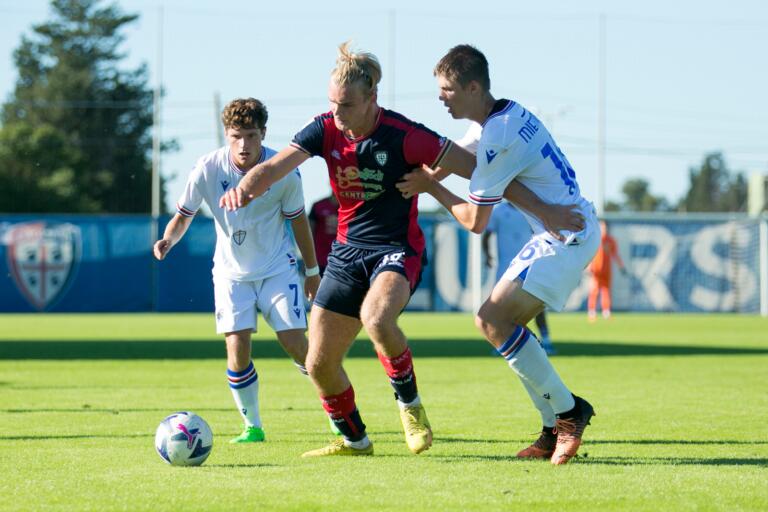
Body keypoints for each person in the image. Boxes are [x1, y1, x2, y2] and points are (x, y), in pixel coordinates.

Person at [398, 44, 600, 465]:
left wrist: (428, 187)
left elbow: (475, 220)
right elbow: (461, 160)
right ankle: (551, 430)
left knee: (490, 320)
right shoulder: (502, 118)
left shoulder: (497, 134)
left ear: (473, 87)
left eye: (447, 89)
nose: (441, 97)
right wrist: (425, 170)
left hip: (565, 235)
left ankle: (569, 413)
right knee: (509, 332)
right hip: (561, 226)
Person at [153, 97, 321, 444]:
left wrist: (312, 271)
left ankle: (336, 411)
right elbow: (184, 215)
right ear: (226, 135)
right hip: (230, 273)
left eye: (251, 135)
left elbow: (299, 223)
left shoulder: (283, 170)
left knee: (294, 343)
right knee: (237, 347)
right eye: (235, 136)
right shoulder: (207, 169)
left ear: (263, 134)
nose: (243, 145)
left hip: (277, 267)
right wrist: (168, 239)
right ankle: (253, 427)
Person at [482, 202, 555, 355]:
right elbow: (487, 234)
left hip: (529, 265)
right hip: (505, 267)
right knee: (499, 307)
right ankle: (501, 345)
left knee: (536, 305)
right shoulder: (499, 211)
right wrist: (488, 255)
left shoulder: (529, 208)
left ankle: (546, 341)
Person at [587, 220, 626, 321]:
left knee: (606, 291)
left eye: (605, 227)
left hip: (607, 270)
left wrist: (621, 266)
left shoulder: (611, 240)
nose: (604, 229)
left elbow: (615, 255)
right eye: (602, 227)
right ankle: (592, 312)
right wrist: (589, 267)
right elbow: (589, 254)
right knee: (594, 291)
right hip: (596, 270)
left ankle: (606, 312)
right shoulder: (596, 239)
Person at [308, 193, 339, 276]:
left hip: (343, 260)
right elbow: (309, 234)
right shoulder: (318, 205)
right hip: (320, 260)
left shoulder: (352, 207)